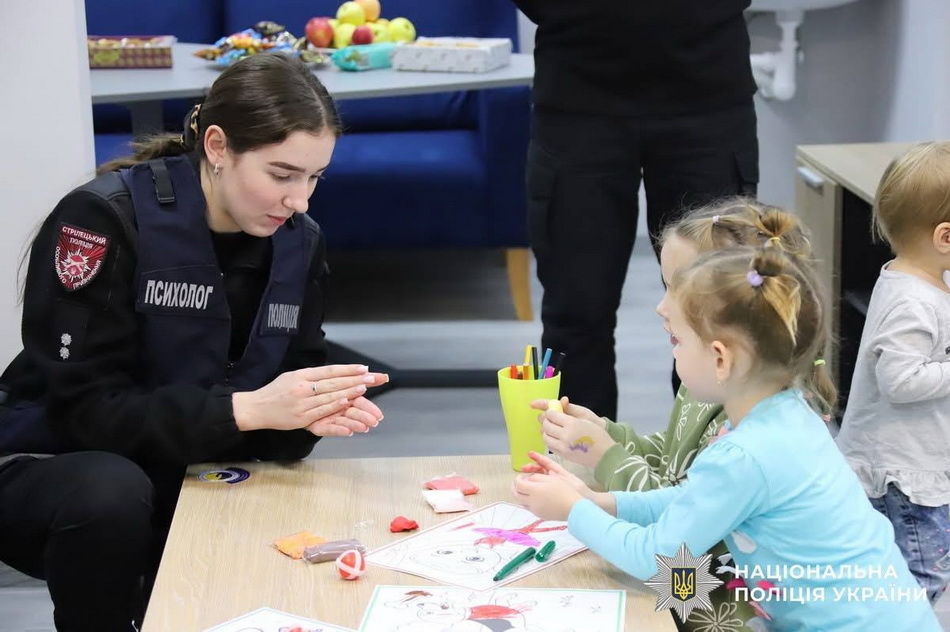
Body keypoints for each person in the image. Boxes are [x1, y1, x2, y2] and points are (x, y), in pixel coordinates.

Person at [0, 53, 389, 632]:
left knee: (283, 501)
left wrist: (311, 412)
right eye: (281, 175)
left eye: (314, 178)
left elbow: (283, 405)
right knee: (113, 495)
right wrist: (249, 410)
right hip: (51, 460)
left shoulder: (299, 241)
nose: (299, 200)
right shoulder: (104, 219)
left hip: (183, 459)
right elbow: (83, 411)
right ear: (216, 146)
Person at [513, 247, 940, 630]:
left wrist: (572, 510)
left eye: (676, 340)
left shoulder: (744, 453)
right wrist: (598, 501)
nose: (674, 351)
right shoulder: (785, 413)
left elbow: (656, 559)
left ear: (720, 358)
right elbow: (693, 498)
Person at [531, 199, 821, 631]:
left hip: (725, 592)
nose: (661, 307)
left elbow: (668, 545)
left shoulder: (743, 429)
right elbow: (675, 470)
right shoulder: (732, 389)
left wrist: (582, 502)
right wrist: (605, 444)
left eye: (677, 289)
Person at [513, 0, 759, 419]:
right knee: (575, 311)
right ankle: (576, 467)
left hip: (707, 92)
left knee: (717, 307)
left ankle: (711, 468)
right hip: (578, 95)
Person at [836, 141, 950, 605]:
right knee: (919, 583)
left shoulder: (914, 282)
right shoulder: (912, 302)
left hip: (911, 465)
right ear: (945, 237)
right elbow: (901, 381)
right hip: (904, 476)